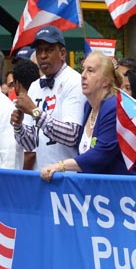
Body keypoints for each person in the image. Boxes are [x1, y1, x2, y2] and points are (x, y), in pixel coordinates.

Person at [40, 51, 136, 179]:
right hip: (100, 192)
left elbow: (100, 155)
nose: (83, 75)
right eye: (83, 69)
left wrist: (60, 165)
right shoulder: (87, 107)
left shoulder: (114, 107)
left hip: (127, 191)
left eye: (90, 71)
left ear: (105, 81)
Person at [12, 26, 85, 171]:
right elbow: (31, 144)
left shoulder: (75, 81)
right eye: (39, 51)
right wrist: (19, 126)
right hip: (41, 174)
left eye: (49, 50)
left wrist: (35, 112)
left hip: (67, 176)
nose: (42, 55)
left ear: (62, 53)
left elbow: (72, 134)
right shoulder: (34, 86)